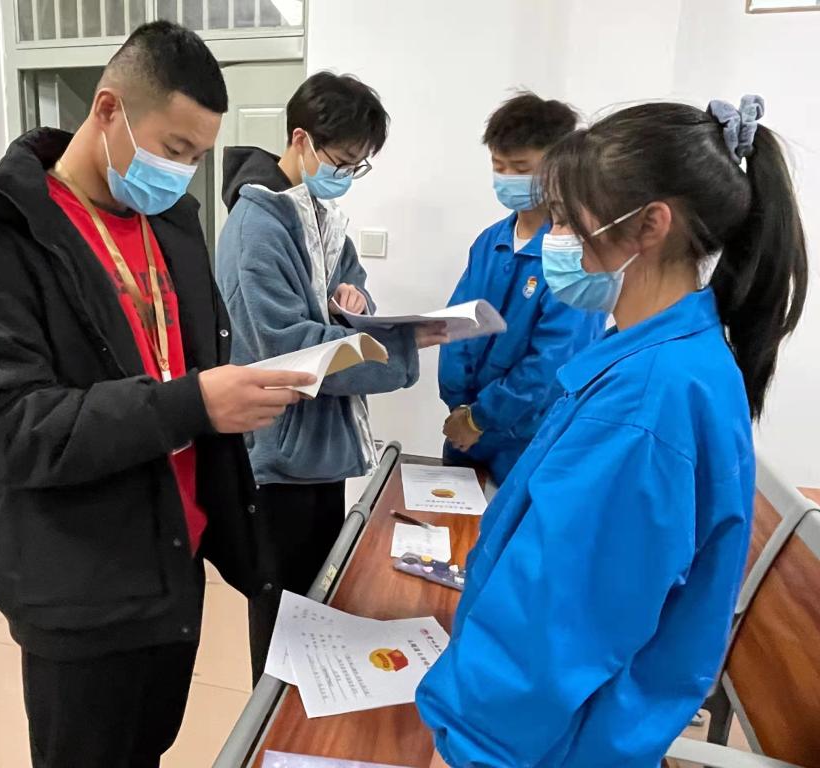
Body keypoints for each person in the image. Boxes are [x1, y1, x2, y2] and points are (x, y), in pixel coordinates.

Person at [0, 22, 314, 768]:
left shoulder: (169, 223)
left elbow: (190, 356)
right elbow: (7, 428)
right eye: (174, 149)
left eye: (197, 157)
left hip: (174, 557)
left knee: (149, 747)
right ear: (108, 109)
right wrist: (194, 404)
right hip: (80, 583)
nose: (183, 173)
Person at [418, 95, 808, 767]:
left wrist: (468, 741)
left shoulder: (645, 403)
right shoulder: (663, 357)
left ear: (649, 225)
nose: (554, 238)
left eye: (568, 220)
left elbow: (557, 630)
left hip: (545, 745)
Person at [216, 71, 447, 682]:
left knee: (315, 603)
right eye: (342, 161)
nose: (346, 175)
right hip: (279, 454)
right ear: (301, 140)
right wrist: (400, 346)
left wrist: (356, 301)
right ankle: (273, 725)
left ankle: (313, 707)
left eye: (357, 166)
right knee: (283, 622)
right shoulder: (257, 227)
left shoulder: (319, 214)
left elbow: (352, 289)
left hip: (319, 449)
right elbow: (288, 350)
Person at [439, 92, 605, 486]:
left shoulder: (574, 254)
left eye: (521, 168)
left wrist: (482, 417)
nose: (507, 177)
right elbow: (455, 326)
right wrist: (460, 407)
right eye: (499, 166)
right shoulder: (490, 241)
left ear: (559, 168)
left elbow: (553, 360)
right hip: (465, 432)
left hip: (530, 440)